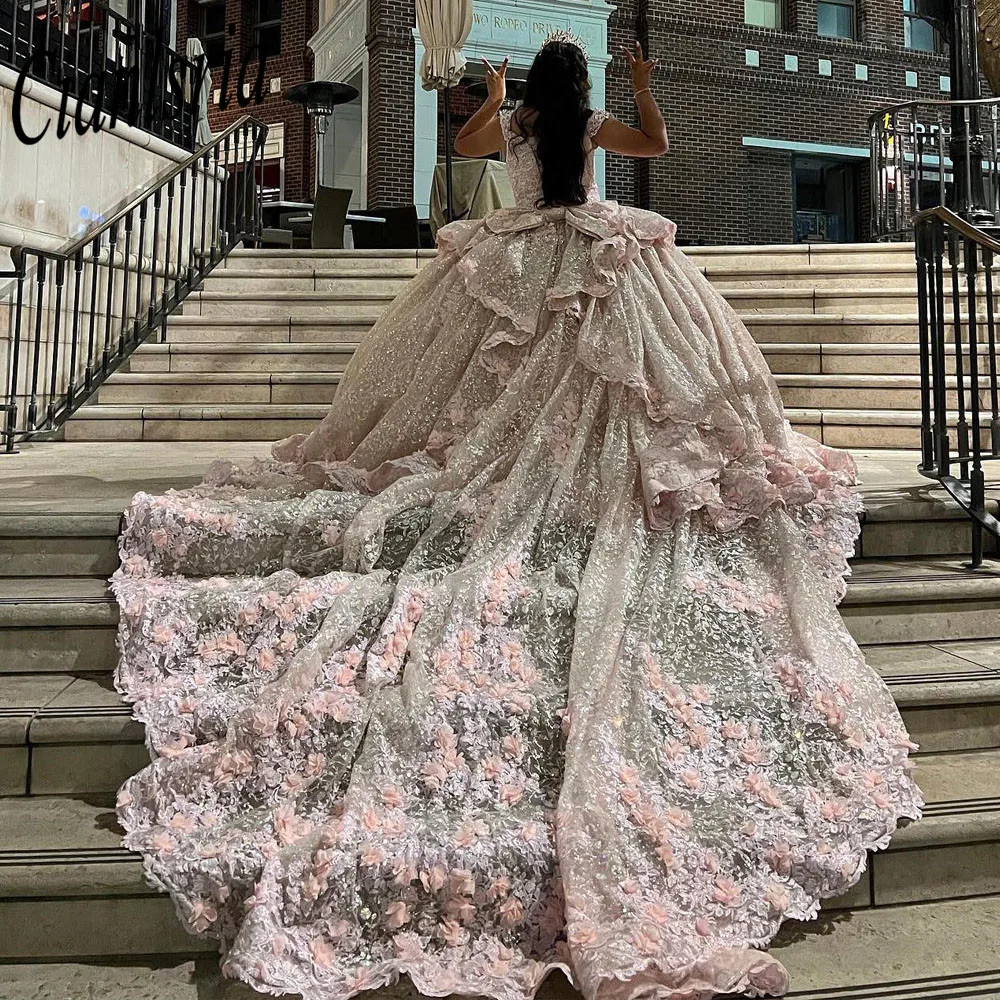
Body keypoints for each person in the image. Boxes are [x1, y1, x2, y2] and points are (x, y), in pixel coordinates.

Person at [112, 33, 922, 1000]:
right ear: (584, 90)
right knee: (591, 399)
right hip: (590, 253)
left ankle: (541, 485)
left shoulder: (525, 121)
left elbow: (465, 155)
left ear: (536, 88)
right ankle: (578, 489)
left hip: (527, 253)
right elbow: (655, 148)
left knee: (497, 397)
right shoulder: (586, 123)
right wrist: (649, 91)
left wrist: (491, 97)